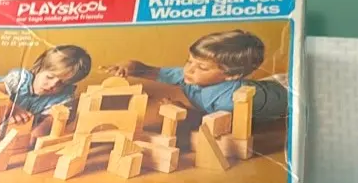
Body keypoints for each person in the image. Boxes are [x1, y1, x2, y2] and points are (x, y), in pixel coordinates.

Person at [107, 30, 288, 121]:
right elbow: (151, 71)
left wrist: (181, 110)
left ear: (231, 76)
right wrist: (130, 66)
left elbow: (217, 125)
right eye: (189, 61)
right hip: (271, 84)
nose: (189, 69)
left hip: (287, 97)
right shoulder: (192, 75)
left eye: (202, 67)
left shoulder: (231, 100)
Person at [0, 45, 92, 140]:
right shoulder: (20, 79)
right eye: (49, 77)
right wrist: (11, 107)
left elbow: (51, 119)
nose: (52, 85)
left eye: (62, 83)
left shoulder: (62, 97)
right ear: (39, 68)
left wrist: (38, 132)